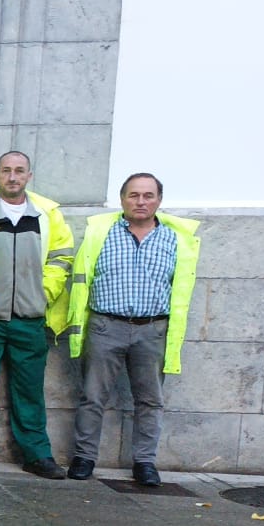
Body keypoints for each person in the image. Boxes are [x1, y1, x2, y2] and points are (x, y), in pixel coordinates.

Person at [54, 173, 201, 486]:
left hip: (152, 329)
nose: (141, 202)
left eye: (148, 195)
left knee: (150, 400)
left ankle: (145, 462)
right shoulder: (101, 233)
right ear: (122, 199)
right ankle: (84, 457)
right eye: (134, 195)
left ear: (159, 201)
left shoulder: (175, 239)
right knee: (93, 396)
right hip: (106, 326)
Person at [0, 151, 74, 478]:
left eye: (19, 171)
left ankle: (37, 455)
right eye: (6, 171)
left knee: (30, 389)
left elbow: (62, 258)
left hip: (31, 318)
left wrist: (43, 293)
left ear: (29, 176)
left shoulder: (47, 214)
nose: (12, 177)